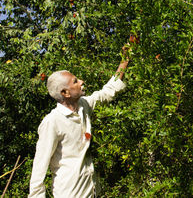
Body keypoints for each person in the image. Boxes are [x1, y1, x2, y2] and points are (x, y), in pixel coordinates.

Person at [28, 46, 129, 197]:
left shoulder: (84, 105)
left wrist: (125, 59)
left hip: (92, 192)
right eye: (75, 81)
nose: (81, 81)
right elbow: (39, 167)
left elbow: (108, 91)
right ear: (65, 93)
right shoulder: (53, 122)